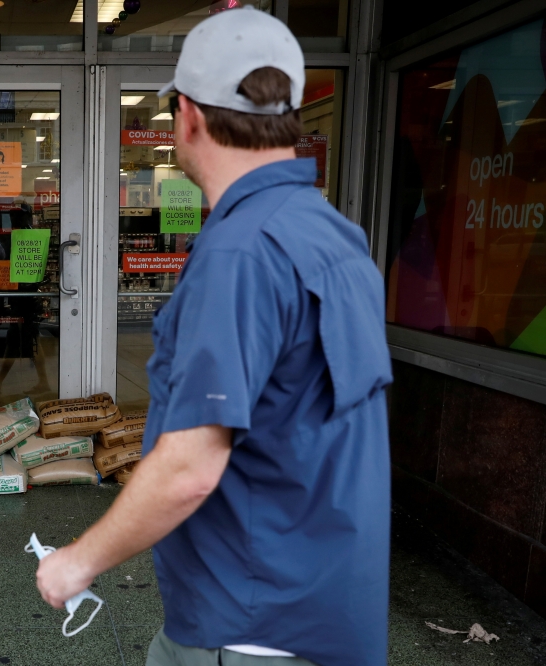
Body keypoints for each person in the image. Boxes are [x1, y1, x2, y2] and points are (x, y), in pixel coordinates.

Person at [35, 8, 392, 666]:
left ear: (189, 116)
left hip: (249, 620)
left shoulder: (239, 252)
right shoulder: (335, 235)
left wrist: (77, 563)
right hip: (328, 602)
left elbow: (190, 470)